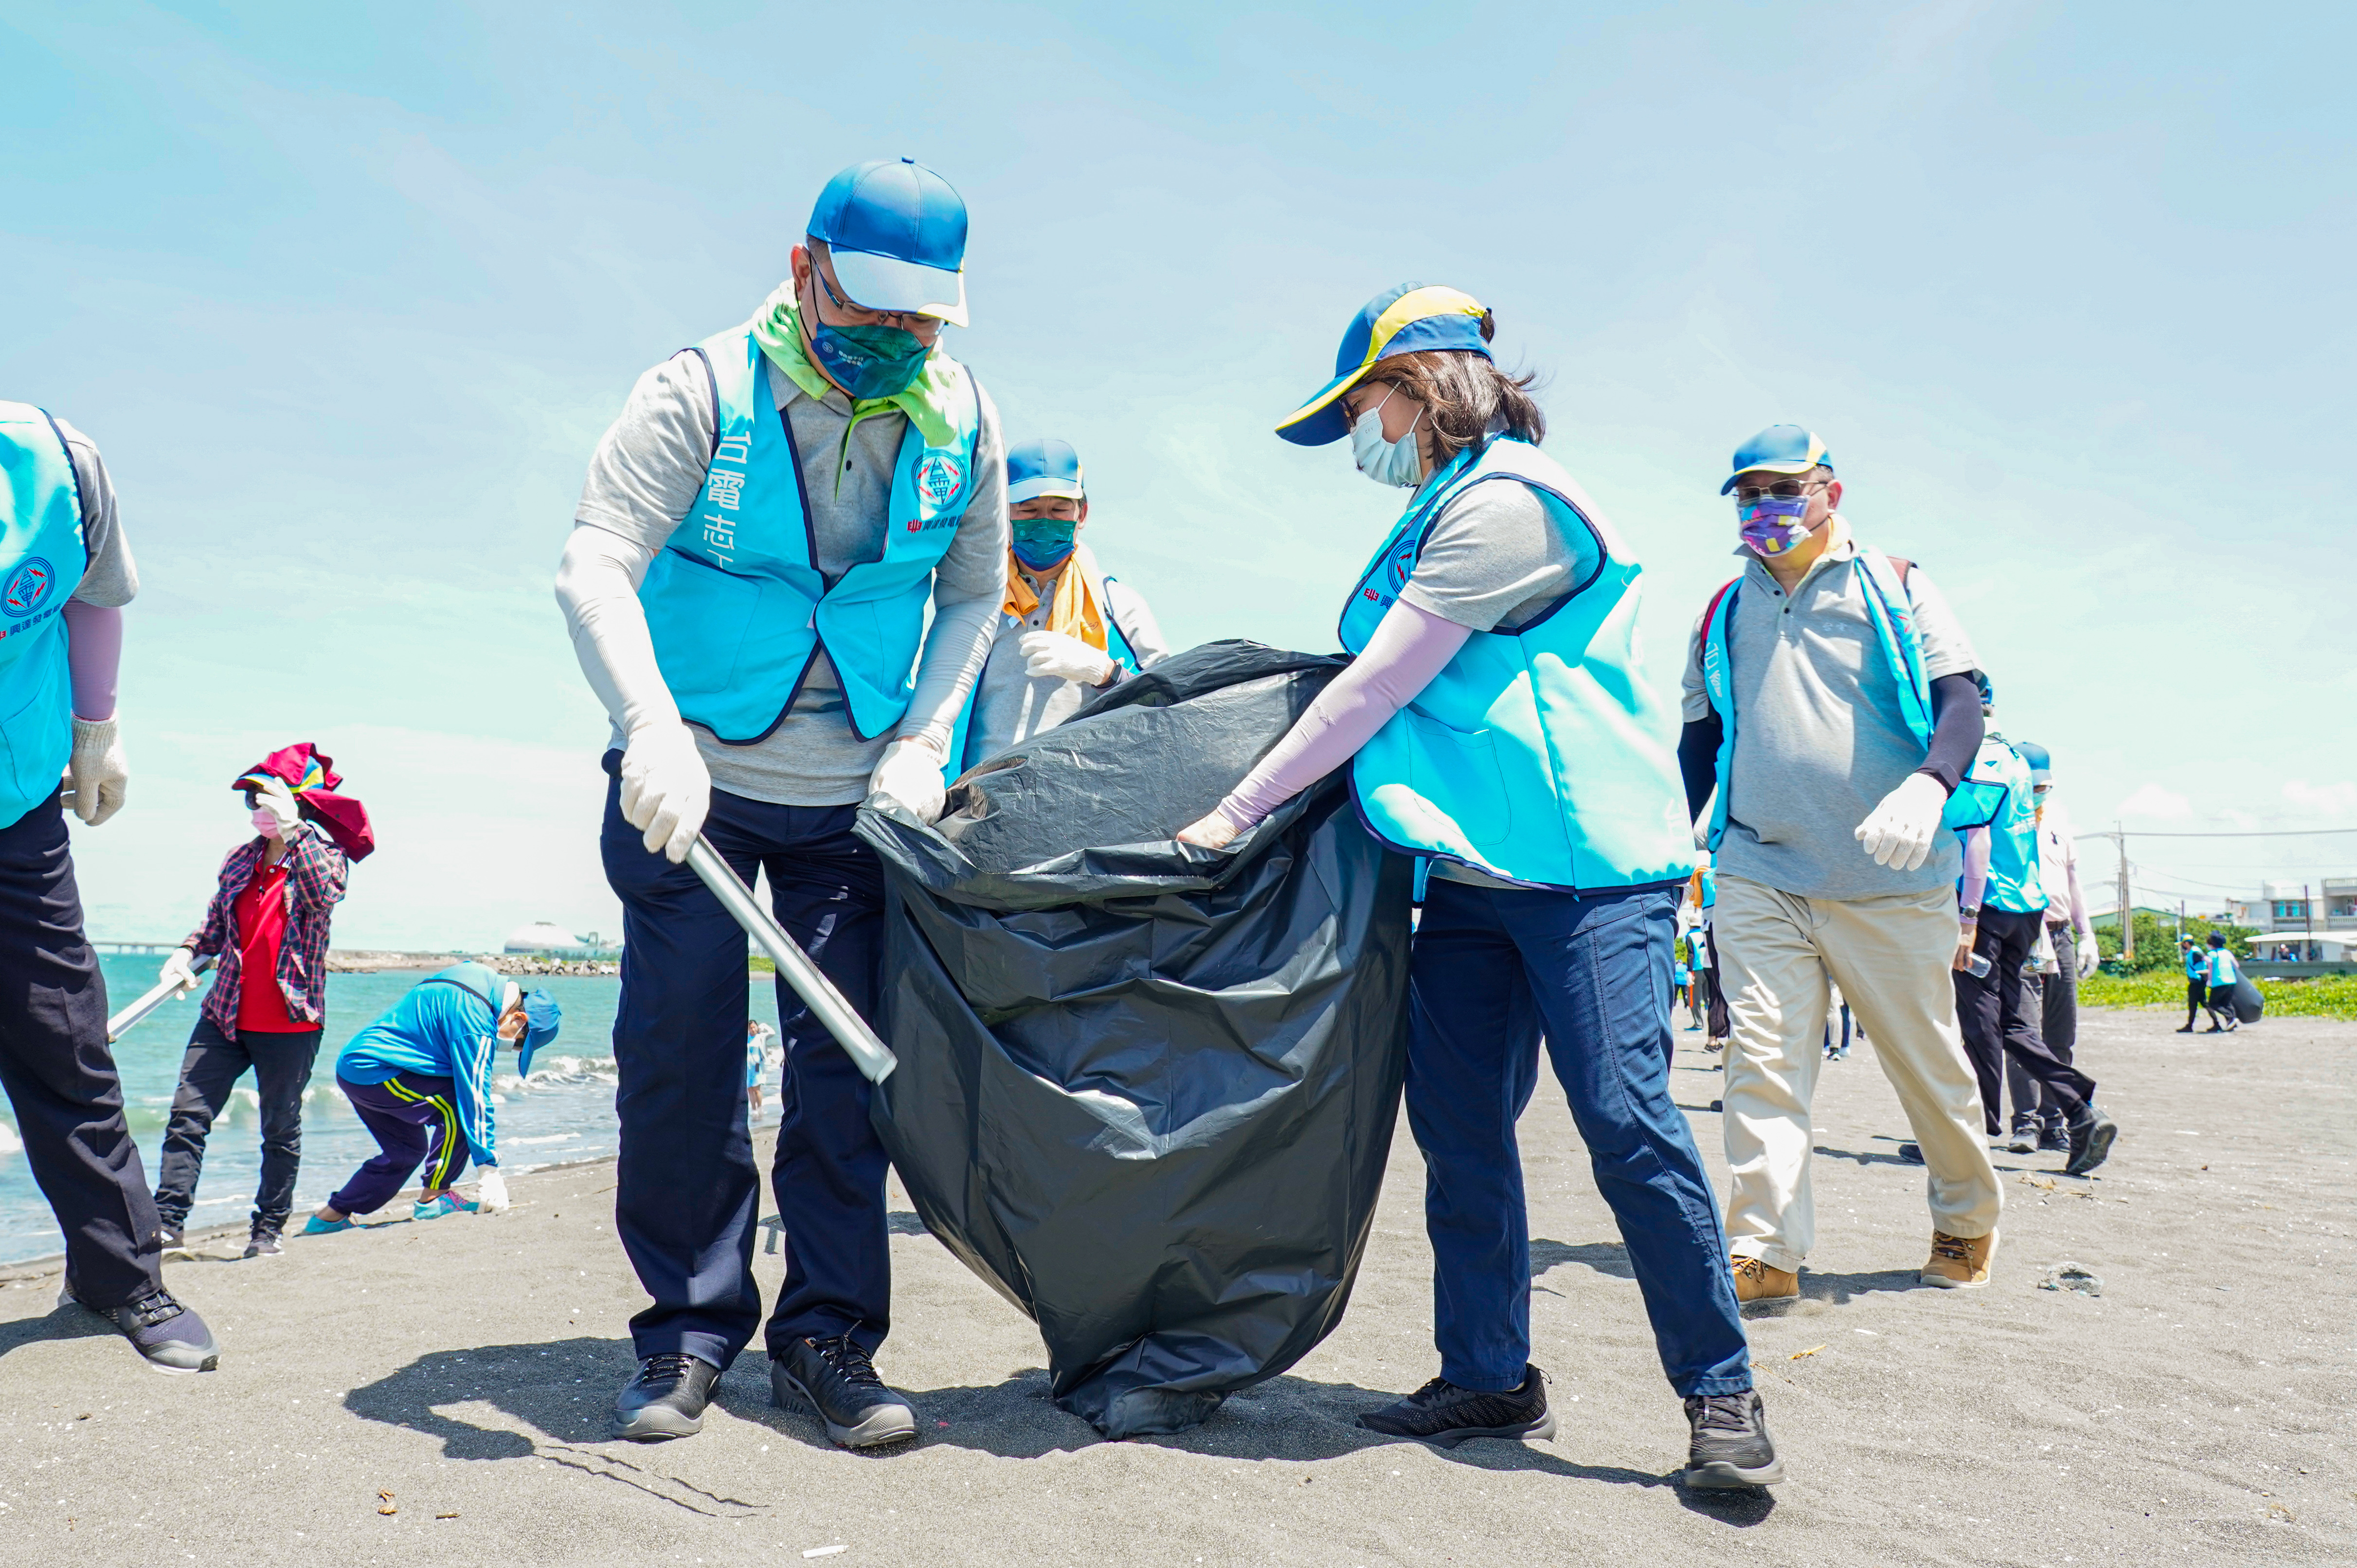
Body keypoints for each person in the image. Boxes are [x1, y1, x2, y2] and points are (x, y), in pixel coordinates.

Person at [1177, 285, 1778, 1490]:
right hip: (1469, 877)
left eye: (1373, 403)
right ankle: (1491, 1373)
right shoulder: (1448, 504)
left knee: (1624, 1122)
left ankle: (1719, 1391)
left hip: (1588, 878)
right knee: (1457, 1127)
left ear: (1428, 386)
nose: (1371, 430)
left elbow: (1375, 687)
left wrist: (1233, 812)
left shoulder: (1510, 506)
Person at [555, 158, 1007, 1447]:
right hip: (687, 791)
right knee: (680, 1063)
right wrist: (647, 727)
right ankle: (689, 1331)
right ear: (804, 267)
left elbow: (975, 594)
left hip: (854, 801)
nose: (892, 340)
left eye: (918, 322)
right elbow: (594, 561)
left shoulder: (964, 418)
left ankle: (826, 1339)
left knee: (843, 1076)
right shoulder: (694, 392)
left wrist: (923, 739)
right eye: (867, 310)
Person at [1678, 424, 2004, 1306]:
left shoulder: (1896, 584)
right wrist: (1680, 841)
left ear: (1832, 490)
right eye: (1748, 494)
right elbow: (1701, 737)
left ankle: (1967, 1217)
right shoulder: (1724, 609)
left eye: (1785, 488)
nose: (1765, 508)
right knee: (1762, 1063)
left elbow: (1962, 697)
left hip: (1891, 877)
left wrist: (1935, 784)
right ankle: (1765, 1249)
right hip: (1760, 869)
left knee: (1926, 1065)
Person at [0, 401, 219, 1373]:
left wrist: (99, 726)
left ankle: (118, 1278)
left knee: (65, 1039)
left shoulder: (59, 467)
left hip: (15, 804)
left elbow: (91, 594)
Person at [150, 745, 371, 1260]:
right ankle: (167, 1223)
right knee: (188, 1116)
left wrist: (296, 830)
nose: (256, 807)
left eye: (266, 797)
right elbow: (213, 926)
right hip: (224, 1014)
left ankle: (266, 1231)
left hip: (290, 1021)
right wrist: (185, 953)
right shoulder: (239, 858)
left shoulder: (324, 855)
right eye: (253, 798)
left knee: (280, 1128)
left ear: (295, 803)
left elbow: (323, 895)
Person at [1949, 689, 2115, 1176]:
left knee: (1980, 1026)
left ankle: (1962, 1135)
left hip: (1988, 908)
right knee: (2008, 1024)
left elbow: (1977, 840)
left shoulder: (1977, 757)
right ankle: (2081, 1113)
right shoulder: (2016, 759)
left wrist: (1966, 918)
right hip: (2024, 908)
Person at [950, 437, 1169, 769]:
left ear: (1082, 514)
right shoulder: (976, 601)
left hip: (1085, 806)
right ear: (1002, 512)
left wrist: (1107, 673)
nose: (1044, 521)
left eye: (1059, 509)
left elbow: (1171, 706)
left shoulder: (1119, 606)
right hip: (974, 804)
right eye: (1028, 509)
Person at [307, 962, 558, 1230]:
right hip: (379, 1071)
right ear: (519, 1020)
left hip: (356, 1068)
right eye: (519, 1044)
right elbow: (475, 1094)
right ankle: (434, 1199)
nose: (509, 1048)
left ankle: (329, 1217)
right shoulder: (477, 1019)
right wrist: (488, 1168)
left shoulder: (475, 975)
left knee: (405, 1152)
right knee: (460, 1107)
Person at [2005, 740, 2101, 1151]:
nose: (2038, 793)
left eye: (2044, 786)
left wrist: (2087, 934)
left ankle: (2053, 1122)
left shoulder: (2060, 826)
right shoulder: (2004, 821)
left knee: (2061, 1034)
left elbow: (2073, 882)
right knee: (2026, 1030)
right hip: (2024, 933)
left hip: (2061, 933)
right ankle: (2025, 1122)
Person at [2202, 933, 2243, 1032]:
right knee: (2227, 1003)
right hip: (2231, 981)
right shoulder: (2227, 952)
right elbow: (2236, 966)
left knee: (2213, 1003)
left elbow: (2210, 969)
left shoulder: (2212, 954)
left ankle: (2231, 1018)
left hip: (2219, 981)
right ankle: (2232, 1024)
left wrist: (2209, 981)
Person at [745, 1019, 776, 1120]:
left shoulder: (761, 1037)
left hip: (757, 1066)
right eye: (751, 1028)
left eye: (754, 1027)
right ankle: (754, 1110)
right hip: (748, 1066)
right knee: (750, 1089)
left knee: (757, 1089)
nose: (753, 1029)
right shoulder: (747, 1038)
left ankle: (760, 1108)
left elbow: (772, 1033)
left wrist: (765, 1026)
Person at [2177, 935, 2208, 1033]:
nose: (2182, 946)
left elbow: (2207, 960)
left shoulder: (2195, 952)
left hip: (2197, 982)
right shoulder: (2193, 951)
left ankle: (2189, 1026)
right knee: (2203, 1003)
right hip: (2197, 982)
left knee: (2193, 1004)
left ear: (2186, 943)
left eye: (2183, 944)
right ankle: (2217, 1023)